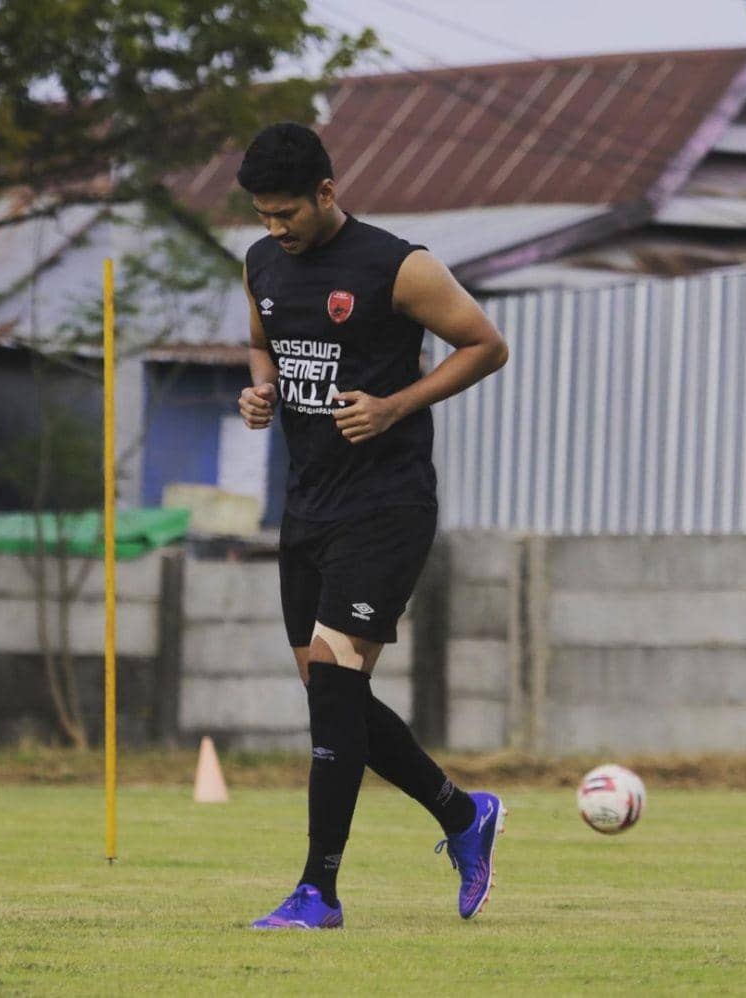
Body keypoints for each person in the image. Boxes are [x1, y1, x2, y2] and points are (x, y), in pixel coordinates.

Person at [236, 122, 509, 930]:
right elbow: (263, 344)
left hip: (386, 504)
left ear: (327, 192)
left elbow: (485, 345)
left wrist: (395, 405)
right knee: (333, 696)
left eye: (287, 212)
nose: (275, 228)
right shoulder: (259, 264)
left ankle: (317, 891)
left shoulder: (401, 265)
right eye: (263, 215)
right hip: (308, 502)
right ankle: (463, 817)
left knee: (334, 684)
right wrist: (261, 392)